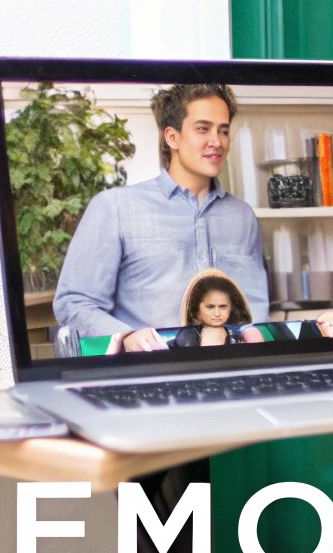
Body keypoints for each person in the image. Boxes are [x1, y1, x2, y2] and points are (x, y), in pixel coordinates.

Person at [53, 82, 269, 353]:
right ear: (172, 137)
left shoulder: (242, 217)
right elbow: (74, 303)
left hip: (233, 369)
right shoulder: (115, 208)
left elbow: (255, 309)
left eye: (223, 131)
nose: (217, 141)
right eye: (203, 129)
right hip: (148, 371)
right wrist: (126, 336)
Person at [170, 270, 253, 348]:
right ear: (197, 308)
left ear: (231, 307)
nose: (217, 313)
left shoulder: (240, 334)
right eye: (210, 307)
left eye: (222, 306)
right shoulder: (186, 336)